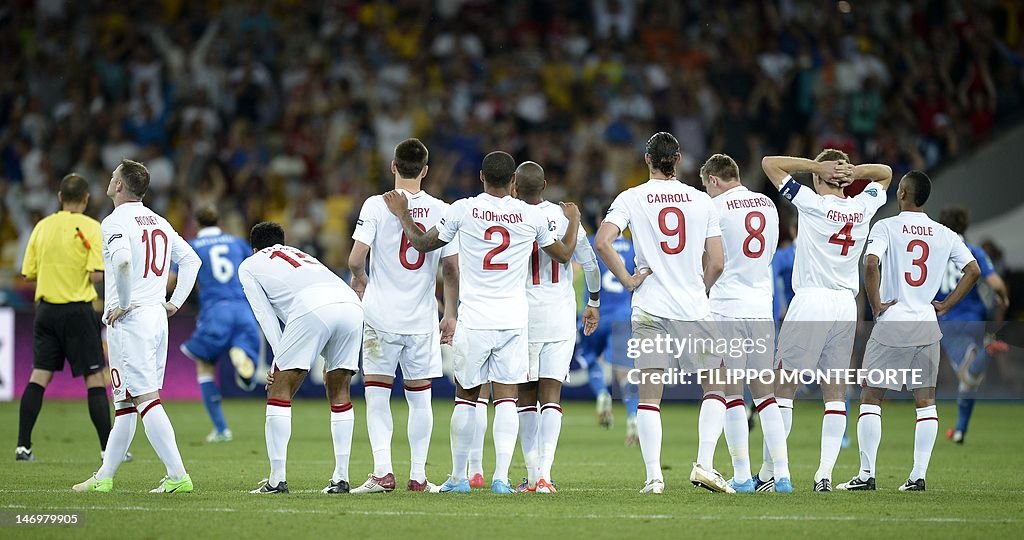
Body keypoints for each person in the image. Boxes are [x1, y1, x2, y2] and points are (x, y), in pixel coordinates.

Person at [382, 151, 581, 494]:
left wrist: (403, 215)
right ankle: (501, 479)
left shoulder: (462, 209)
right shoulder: (529, 215)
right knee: (506, 398)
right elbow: (563, 255)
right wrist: (575, 221)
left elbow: (423, 244)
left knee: (466, 397)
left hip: (474, 316)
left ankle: (460, 476)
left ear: (480, 177)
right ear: (514, 183)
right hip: (513, 318)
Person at [594, 132, 725, 495]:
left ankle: (654, 478)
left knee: (650, 393)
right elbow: (717, 261)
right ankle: (704, 465)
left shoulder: (631, 197)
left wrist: (627, 278)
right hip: (691, 306)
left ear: (648, 159)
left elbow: (603, 242)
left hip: (649, 305)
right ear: (679, 159)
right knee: (715, 384)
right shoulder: (701, 201)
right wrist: (699, 289)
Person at [837, 171, 980, 491]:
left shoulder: (886, 226)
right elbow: (973, 271)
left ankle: (866, 474)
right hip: (927, 325)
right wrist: (946, 305)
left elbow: (871, 263)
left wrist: (875, 303)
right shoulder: (945, 234)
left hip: (893, 322)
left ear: (901, 193)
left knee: (871, 396)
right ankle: (917, 476)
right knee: (926, 401)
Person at [761, 150, 892, 492]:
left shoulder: (811, 203)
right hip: (845, 305)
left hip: (811, 300)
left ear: (820, 177)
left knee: (781, 390)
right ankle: (824, 475)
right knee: (835, 394)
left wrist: (816, 166)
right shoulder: (863, 206)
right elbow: (887, 174)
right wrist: (855, 172)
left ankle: (769, 473)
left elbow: (769, 164)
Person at [73, 159, 201, 493]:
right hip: (157, 317)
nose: (110, 178)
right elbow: (191, 260)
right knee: (126, 404)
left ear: (119, 186)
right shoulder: (159, 221)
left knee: (145, 400)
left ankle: (178, 476)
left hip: (132, 320)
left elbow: (123, 260)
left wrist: (124, 302)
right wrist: (175, 302)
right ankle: (104, 477)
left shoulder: (114, 221)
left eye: (113, 175)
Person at [348, 138, 459, 493]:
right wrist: (451, 314)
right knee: (420, 396)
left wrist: (362, 280)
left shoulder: (375, 205)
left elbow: (354, 259)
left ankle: (382, 472)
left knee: (377, 396)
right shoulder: (443, 209)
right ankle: (419, 477)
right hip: (421, 318)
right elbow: (452, 270)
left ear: (393, 166)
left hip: (380, 316)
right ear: (425, 171)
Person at [241, 222, 363, 495]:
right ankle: (341, 478)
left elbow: (264, 314)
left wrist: (277, 358)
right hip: (350, 303)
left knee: (279, 389)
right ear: (282, 242)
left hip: (311, 305)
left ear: (255, 248)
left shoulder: (249, 264)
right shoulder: (301, 255)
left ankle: (276, 480)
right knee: (340, 390)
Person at [699, 153, 791, 493]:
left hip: (726, 306)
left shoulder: (715, 208)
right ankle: (781, 476)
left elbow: (714, 260)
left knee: (731, 394)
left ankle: (741, 477)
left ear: (713, 180)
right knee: (765, 394)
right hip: (760, 306)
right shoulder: (767, 204)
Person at [513, 161, 601, 493]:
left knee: (525, 395)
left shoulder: (508, 216)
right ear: (546, 185)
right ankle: (544, 476)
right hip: (559, 313)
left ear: (515, 187)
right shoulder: (564, 217)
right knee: (552, 394)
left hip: (520, 312)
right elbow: (589, 264)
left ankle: (532, 474)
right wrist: (593, 301)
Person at [18, 174, 113, 462]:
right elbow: (95, 273)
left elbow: (29, 272)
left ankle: (23, 446)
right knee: (95, 378)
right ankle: (108, 450)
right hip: (78, 311)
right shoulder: (91, 228)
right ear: (86, 198)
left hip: (46, 311)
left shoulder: (42, 227)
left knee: (39, 376)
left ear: (59, 197)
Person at [172, 206, 261, 443]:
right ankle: (245, 367)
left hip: (214, 311)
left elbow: (173, 280)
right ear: (219, 221)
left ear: (196, 223)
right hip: (243, 309)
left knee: (205, 367)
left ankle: (221, 429)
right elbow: (256, 270)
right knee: (247, 363)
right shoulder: (237, 242)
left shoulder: (191, 246)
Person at [932, 207, 1010, 444]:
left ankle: (986, 351)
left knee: (968, 375)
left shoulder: (935, 251)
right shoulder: (973, 251)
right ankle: (960, 430)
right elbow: (995, 282)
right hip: (975, 320)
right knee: (969, 382)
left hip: (947, 319)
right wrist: (1003, 297)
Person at [579, 206, 640, 445]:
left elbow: (573, 272)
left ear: (597, 219)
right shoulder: (635, 248)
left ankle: (602, 393)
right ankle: (633, 416)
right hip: (625, 315)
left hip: (595, 313)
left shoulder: (592, 243)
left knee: (591, 357)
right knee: (625, 372)